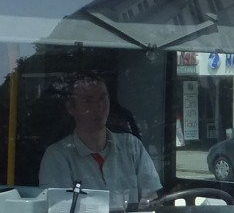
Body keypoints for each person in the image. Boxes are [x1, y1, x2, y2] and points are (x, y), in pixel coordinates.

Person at [38, 75, 161, 205]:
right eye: (88, 100)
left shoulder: (132, 146)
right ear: (71, 107)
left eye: (103, 98)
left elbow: (151, 200)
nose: (99, 107)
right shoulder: (57, 157)